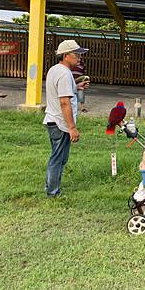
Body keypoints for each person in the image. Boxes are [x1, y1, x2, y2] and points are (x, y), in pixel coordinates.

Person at [43, 40, 89, 197]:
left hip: (53, 119)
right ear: (65, 56)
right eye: (76, 54)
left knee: (60, 157)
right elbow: (64, 102)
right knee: (57, 158)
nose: (79, 58)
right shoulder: (64, 73)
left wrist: (76, 88)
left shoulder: (55, 70)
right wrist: (72, 127)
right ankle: (53, 192)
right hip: (60, 123)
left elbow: (61, 92)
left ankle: (51, 186)